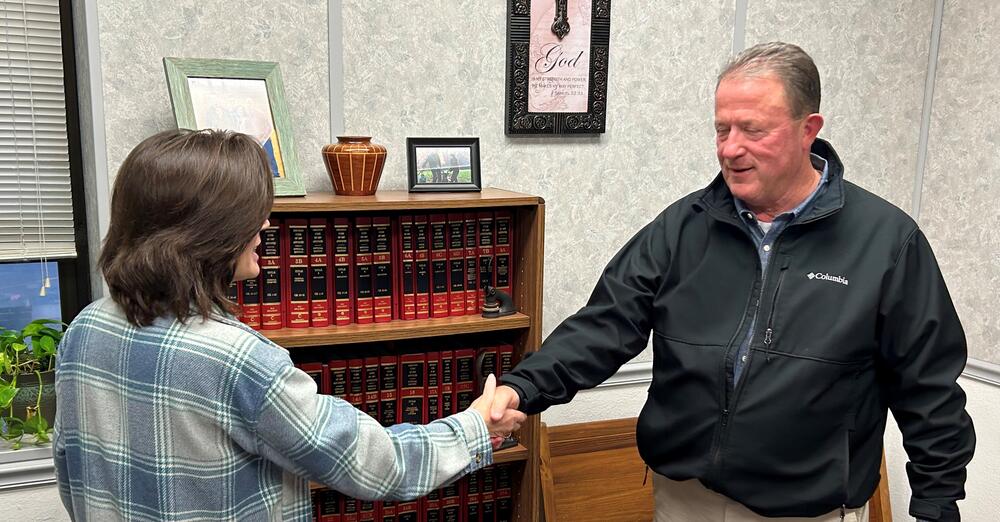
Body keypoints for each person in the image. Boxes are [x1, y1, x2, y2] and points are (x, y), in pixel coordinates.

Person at [490, 42, 975, 522]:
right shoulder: (684, 226)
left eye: (753, 130)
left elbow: (927, 387)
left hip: (808, 510)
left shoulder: (887, 241)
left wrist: (936, 503)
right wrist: (520, 389)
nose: (730, 148)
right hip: (684, 498)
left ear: (809, 130)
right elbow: (604, 326)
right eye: (722, 129)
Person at [53, 129, 525, 521]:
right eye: (250, 214)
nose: (265, 224)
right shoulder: (238, 361)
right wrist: (477, 426)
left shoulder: (84, 330)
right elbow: (377, 465)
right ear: (206, 232)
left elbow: (71, 474)